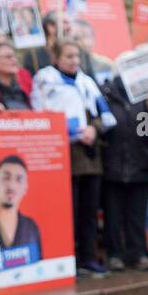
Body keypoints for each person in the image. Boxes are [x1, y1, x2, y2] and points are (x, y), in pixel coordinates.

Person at [31, 38, 111, 277]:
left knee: (88, 211)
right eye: (69, 56)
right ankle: (68, 259)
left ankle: (88, 257)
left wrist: (93, 129)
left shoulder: (87, 83)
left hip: (90, 156)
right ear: (56, 58)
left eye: (77, 56)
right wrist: (70, 132)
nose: (74, 61)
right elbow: (41, 114)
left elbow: (102, 114)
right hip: (64, 157)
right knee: (69, 211)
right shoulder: (46, 80)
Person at [102, 70, 148, 271]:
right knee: (113, 216)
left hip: (140, 166)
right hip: (113, 167)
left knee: (137, 215)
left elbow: (146, 131)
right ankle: (114, 254)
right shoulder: (106, 96)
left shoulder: (144, 98)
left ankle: (137, 253)